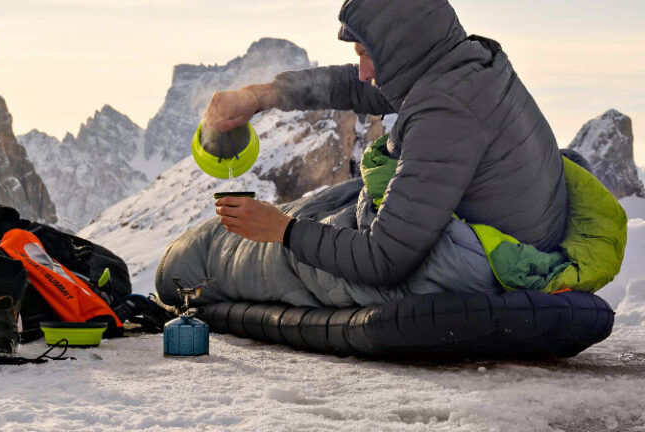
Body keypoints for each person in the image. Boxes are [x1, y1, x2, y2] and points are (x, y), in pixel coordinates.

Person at [206, 0, 567, 288]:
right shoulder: (465, 63)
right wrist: (259, 95)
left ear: (404, 49)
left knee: (249, 260)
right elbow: (352, 86)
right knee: (330, 203)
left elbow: (384, 259)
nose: (364, 71)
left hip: (486, 265)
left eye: (366, 54)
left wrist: (282, 230)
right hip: (519, 239)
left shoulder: (444, 113)